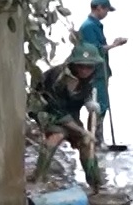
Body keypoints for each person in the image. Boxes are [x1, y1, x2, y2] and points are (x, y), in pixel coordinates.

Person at [31, 44, 109, 193]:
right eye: (81, 66)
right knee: (57, 135)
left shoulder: (89, 78)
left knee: (87, 143)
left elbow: (85, 98)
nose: (85, 70)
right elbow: (58, 113)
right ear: (74, 64)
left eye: (89, 67)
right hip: (49, 114)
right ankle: (39, 178)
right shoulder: (57, 79)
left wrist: (89, 103)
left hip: (71, 114)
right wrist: (82, 131)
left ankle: (96, 185)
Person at [77, 0, 126, 146]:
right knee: (98, 106)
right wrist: (115, 44)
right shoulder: (89, 26)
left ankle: (97, 138)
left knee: (102, 105)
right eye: (106, 10)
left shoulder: (95, 25)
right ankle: (95, 140)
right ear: (98, 8)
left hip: (101, 72)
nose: (106, 14)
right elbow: (93, 50)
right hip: (94, 73)